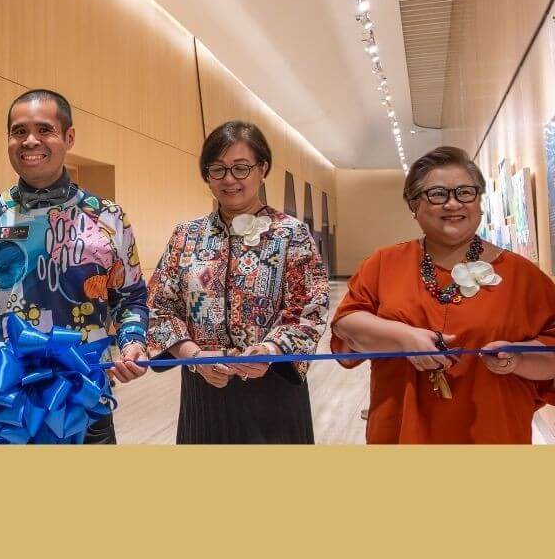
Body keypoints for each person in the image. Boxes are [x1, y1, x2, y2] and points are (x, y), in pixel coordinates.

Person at [0, 89, 149, 444]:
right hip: (4, 397)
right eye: (19, 132)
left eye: (44, 130)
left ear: (69, 137)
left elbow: (131, 298)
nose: (30, 141)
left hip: (84, 395)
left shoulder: (108, 217)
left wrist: (132, 342)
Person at [331, 146, 555, 443]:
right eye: (437, 194)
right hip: (401, 428)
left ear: (479, 201)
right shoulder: (384, 263)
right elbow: (346, 324)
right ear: (413, 205)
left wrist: (518, 360)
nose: (453, 204)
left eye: (465, 192)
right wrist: (403, 337)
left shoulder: (523, 276)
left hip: (493, 430)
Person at [147, 120, 328, 443]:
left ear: (263, 169)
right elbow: (160, 306)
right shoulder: (186, 235)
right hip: (204, 388)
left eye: (241, 168)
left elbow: (308, 310)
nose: (229, 179)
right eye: (217, 169)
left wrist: (271, 349)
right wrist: (193, 356)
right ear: (207, 176)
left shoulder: (291, 234)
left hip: (273, 388)